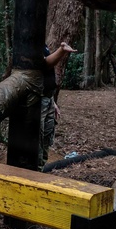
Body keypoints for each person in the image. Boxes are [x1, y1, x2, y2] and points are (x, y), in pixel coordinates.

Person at [39, 41, 77, 169]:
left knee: (46, 138)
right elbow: (45, 64)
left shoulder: (42, 43)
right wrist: (62, 50)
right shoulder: (29, 44)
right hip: (37, 100)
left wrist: (52, 102)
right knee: (37, 141)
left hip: (47, 99)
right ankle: (35, 173)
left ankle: (41, 169)